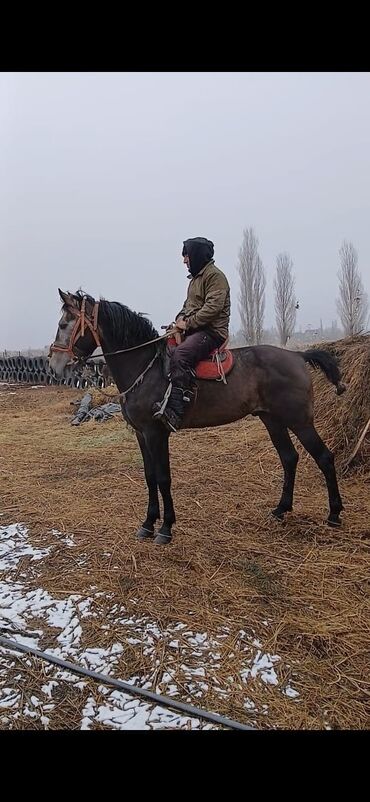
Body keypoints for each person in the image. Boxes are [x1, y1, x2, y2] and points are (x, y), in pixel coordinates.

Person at [153, 236, 230, 432]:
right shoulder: (195, 279)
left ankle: (177, 410)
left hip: (212, 331)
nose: (184, 260)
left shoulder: (215, 276)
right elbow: (187, 307)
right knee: (166, 348)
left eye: (186, 255)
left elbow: (212, 308)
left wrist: (186, 324)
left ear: (196, 255)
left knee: (181, 355)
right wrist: (177, 321)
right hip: (196, 328)